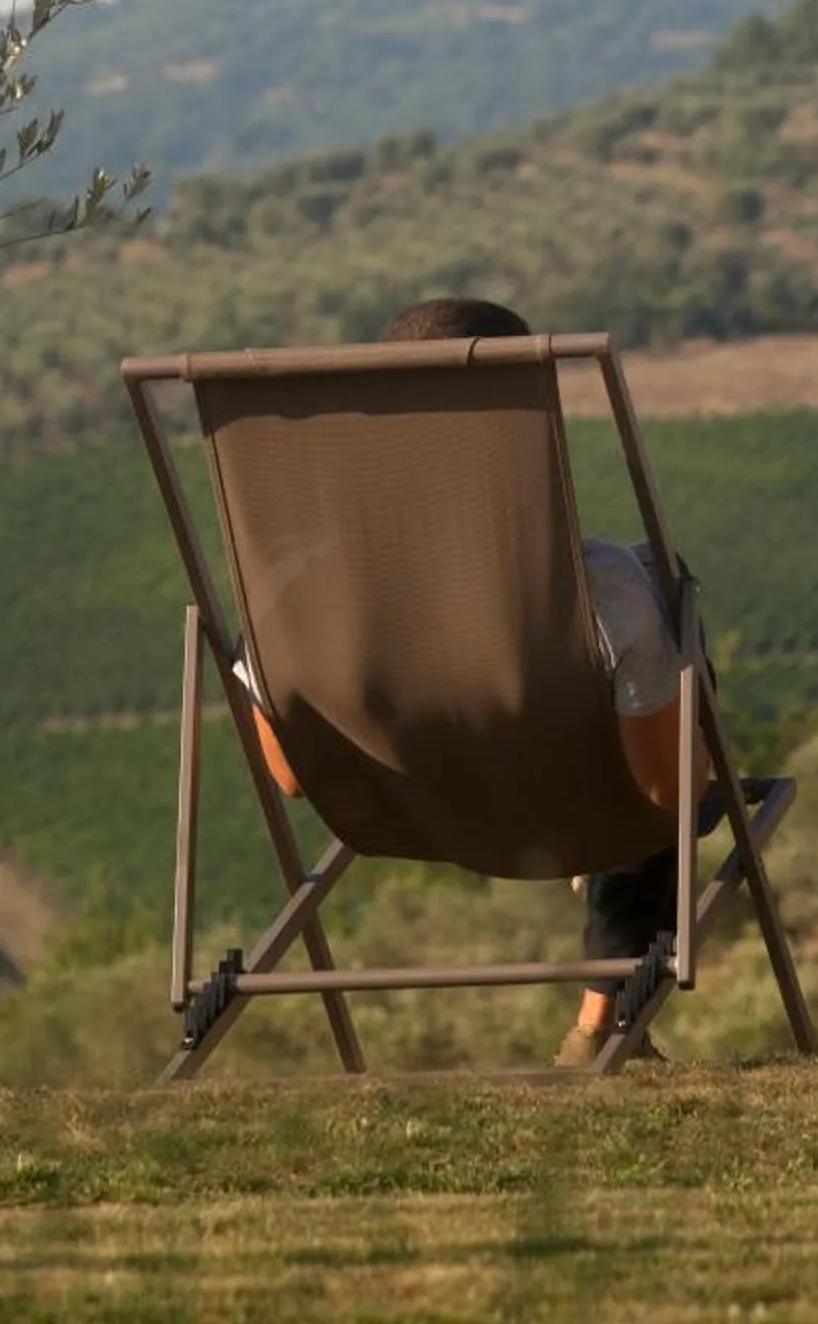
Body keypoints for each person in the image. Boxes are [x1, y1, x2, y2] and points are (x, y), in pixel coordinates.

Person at [232, 296, 712, 1066]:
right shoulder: (603, 591)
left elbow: (289, 777)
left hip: (398, 815)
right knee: (665, 617)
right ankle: (603, 1021)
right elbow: (668, 791)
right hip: (586, 808)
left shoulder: (299, 594)